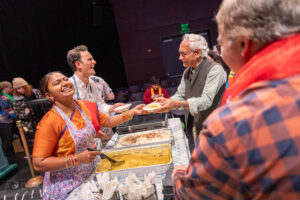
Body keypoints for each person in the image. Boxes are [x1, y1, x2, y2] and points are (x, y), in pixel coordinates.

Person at [172, 0, 300, 199]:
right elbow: (180, 94)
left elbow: (193, 194)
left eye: (221, 43)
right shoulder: (187, 73)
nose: (220, 52)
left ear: (243, 43)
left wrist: (179, 171)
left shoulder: (231, 125)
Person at [32, 71, 146, 199]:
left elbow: (108, 121)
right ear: (49, 95)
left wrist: (131, 113)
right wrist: (77, 159)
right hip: (67, 184)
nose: (64, 83)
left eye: (65, 79)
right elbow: (39, 163)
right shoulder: (49, 122)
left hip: (91, 173)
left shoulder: (86, 106)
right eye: (57, 83)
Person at [155, 33, 227, 152]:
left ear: (198, 52)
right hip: (194, 126)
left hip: (215, 129)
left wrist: (178, 104)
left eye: (183, 54)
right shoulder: (187, 72)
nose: (179, 58)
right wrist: (167, 102)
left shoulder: (215, 70)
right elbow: (181, 94)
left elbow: (206, 100)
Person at [67, 45, 123, 142]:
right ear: (78, 64)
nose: (94, 62)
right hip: (85, 135)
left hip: (104, 129)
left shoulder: (92, 82)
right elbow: (70, 119)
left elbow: (99, 104)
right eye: (89, 59)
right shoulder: (69, 87)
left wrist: (111, 108)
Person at [0, 83, 16, 156]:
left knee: (8, 141)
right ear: (5, 88)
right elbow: (6, 108)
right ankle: (4, 159)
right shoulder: (3, 97)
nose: (12, 89)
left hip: (8, 120)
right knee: (7, 142)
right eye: (10, 87)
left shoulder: (7, 96)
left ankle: (10, 159)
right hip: (5, 122)